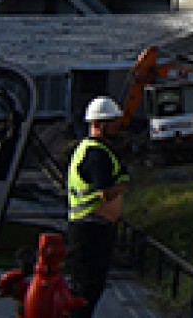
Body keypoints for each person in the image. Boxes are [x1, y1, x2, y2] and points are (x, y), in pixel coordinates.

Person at [66, 96, 130, 318]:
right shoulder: (96, 154)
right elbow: (105, 191)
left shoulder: (90, 148)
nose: (118, 127)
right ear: (99, 124)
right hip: (91, 230)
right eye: (113, 122)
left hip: (89, 229)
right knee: (87, 290)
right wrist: (122, 185)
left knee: (86, 288)